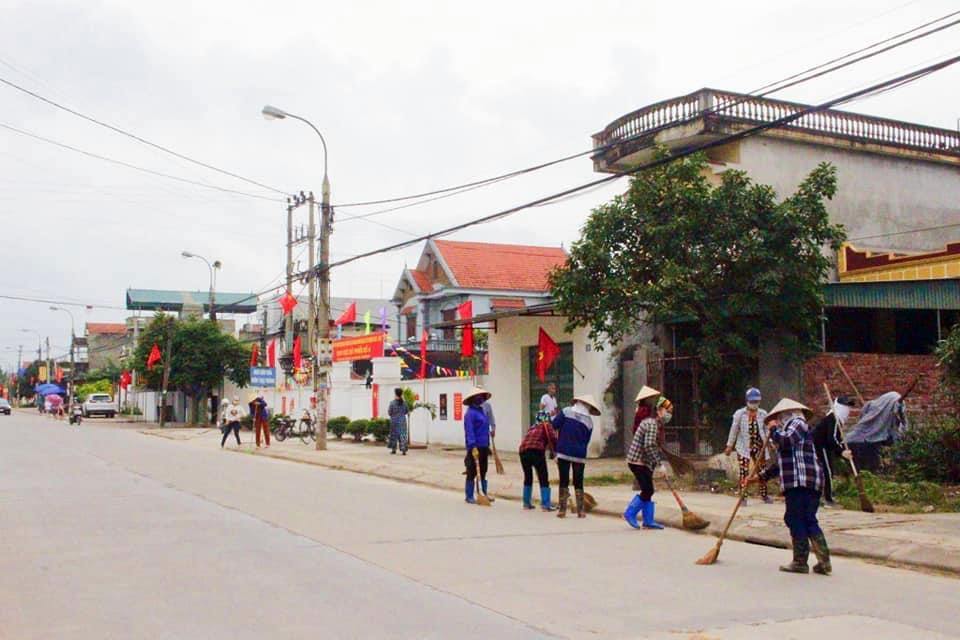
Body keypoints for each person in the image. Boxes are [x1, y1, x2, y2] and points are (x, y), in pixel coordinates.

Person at [745, 398, 831, 575]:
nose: (777, 421)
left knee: (796, 519)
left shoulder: (797, 424)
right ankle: (823, 562)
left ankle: (801, 561)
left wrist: (773, 429)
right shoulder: (788, 431)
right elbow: (779, 465)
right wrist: (759, 478)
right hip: (804, 482)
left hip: (801, 482)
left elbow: (786, 441)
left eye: (778, 418)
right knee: (807, 519)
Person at [624, 396, 673, 529]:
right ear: (659, 410)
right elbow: (649, 445)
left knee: (648, 489)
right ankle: (630, 513)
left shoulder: (655, 424)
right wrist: (660, 464)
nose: (669, 414)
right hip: (637, 461)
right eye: (667, 411)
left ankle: (648, 520)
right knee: (648, 489)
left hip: (644, 462)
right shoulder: (651, 424)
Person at [552, 394, 601, 519]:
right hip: (579, 454)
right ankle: (581, 510)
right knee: (578, 481)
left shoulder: (566, 411)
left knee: (563, 480)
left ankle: (562, 510)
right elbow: (587, 440)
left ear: (577, 402)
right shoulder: (589, 422)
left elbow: (554, 425)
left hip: (563, 451)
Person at [725, 388, 771, 505]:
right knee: (744, 472)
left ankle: (764, 495)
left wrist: (770, 442)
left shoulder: (763, 414)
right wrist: (729, 445)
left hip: (760, 446)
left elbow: (766, 430)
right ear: (747, 401)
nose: (754, 404)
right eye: (752, 401)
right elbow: (734, 430)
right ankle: (743, 497)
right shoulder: (740, 414)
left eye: (756, 402)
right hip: (744, 446)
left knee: (762, 471)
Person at [812, 395, 856, 507]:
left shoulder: (837, 420)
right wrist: (841, 452)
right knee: (827, 471)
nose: (848, 410)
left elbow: (837, 439)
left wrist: (842, 449)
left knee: (825, 471)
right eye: (846, 406)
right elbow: (832, 439)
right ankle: (828, 499)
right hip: (820, 446)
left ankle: (821, 497)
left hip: (824, 447)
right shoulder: (833, 418)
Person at [519, 411, 558, 511]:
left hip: (523, 452)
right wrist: (557, 451)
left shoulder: (532, 427)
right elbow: (553, 438)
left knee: (528, 477)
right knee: (543, 477)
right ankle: (545, 505)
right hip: (537, 451)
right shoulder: (546, 425)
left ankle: (526, 503)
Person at [463, 387, 493, 504]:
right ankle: (469, 495)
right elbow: (469, 431)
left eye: (481, 397)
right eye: (478, 397)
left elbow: (485, 428)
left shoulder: (482, 411)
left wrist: (488, 444)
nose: (480, 399)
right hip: (474, 446)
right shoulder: (470, 414)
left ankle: (483, 493)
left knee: (483, 470)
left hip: (484, 445)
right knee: (472, 471)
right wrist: (472, 446)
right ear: (472, 399)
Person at [387, 388, 409, 455]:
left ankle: (393, 450)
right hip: (402, 421)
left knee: (394, 435)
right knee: (403, 435)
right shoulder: (404, 403)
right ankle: (403, 450)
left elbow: (389, 412)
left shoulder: (392, 403)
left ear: (395, 394)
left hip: (394, 421)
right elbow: (406, 411)